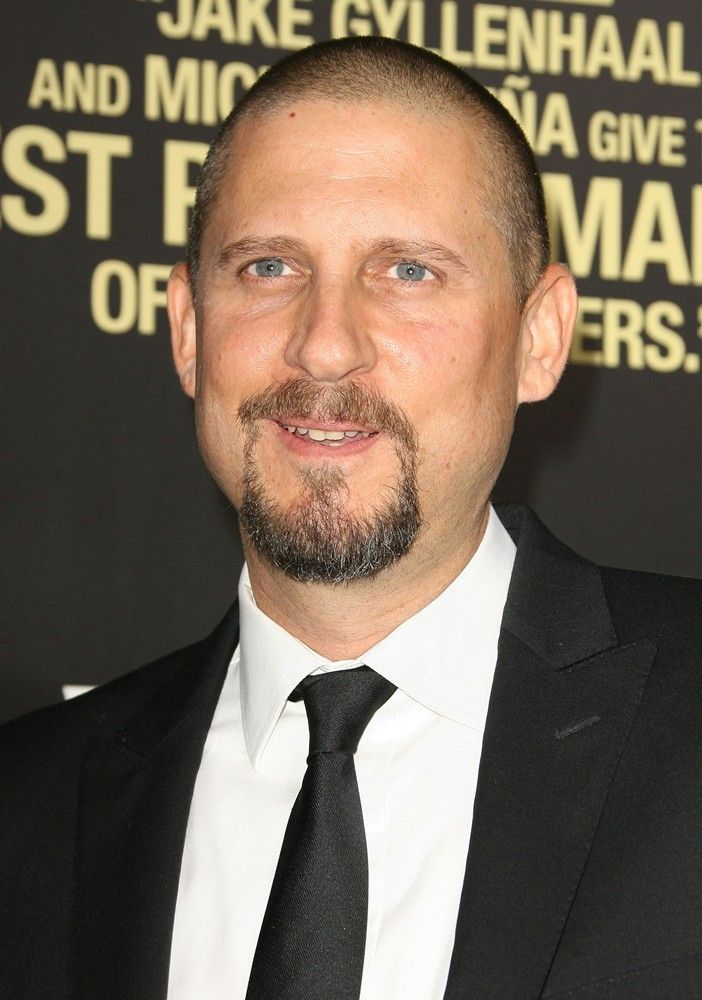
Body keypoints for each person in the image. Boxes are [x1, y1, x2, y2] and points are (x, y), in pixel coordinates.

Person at [1, 35, 701, 1000]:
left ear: (540, 338)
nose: (325, 347)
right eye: (268, 267)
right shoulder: (26, 811)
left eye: (407, 271)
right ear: (189, 329)